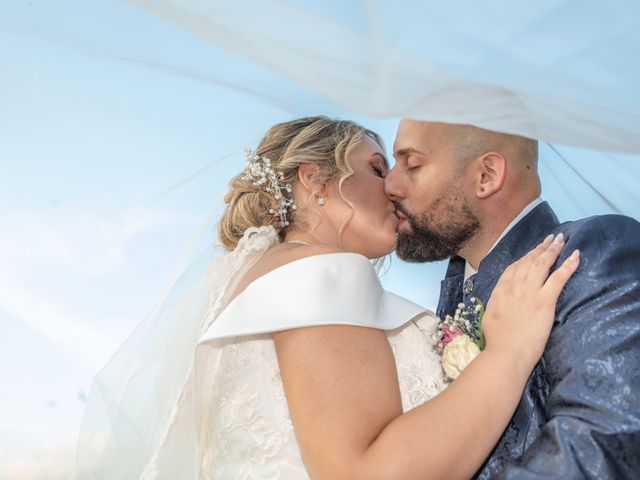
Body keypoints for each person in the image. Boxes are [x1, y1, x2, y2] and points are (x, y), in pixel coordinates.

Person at [74, 116, 579, 479]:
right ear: (315, 178)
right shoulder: (321, 273)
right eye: (379, 169)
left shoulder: (255, 280)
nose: (396, 188)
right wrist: (509, 353)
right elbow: (364, 471)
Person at [386, 119, 640, 479]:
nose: (390, 185)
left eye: (411, 165)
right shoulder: (457, 292)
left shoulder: (589, 255)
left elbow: (604, 443)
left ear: (486, 176)